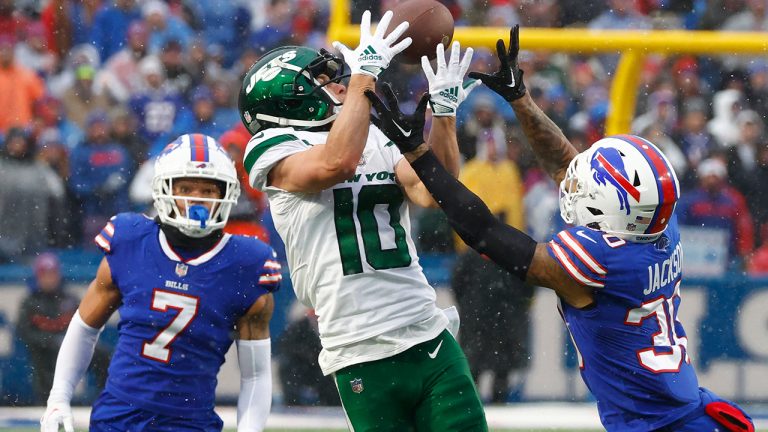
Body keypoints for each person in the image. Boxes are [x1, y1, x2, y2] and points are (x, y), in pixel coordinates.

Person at [367, 26, 755, 432]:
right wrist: (521, 99)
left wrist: (421, 157)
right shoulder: (659, 227)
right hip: (688, 413)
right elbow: (568, 167)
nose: (575, 178)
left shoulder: (602, 260)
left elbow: (484, 232)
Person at [238, 10, 488, 431]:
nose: (338, 82)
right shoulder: (272, 148)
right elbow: (337, 163)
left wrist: (443, 114)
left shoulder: (376, 132)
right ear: (289, 97)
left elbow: (432, 191)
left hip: (424, 327)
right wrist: (363, 76)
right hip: (357, 345)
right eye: (322, 80)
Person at [41, 133, 280, 432]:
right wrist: (59, 398)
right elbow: (85, 327)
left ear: (226, 194)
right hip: (118, 417)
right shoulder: (131, 239)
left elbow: (255, 374)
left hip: (190, 422)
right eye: (186, 188)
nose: (196, 199)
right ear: (164, 189)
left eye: (207, 190)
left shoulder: (247, 263)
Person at [17, 253, 108, 404]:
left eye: (52, 273)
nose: (49, 278)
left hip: (71, 347)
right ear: (38, 276)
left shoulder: (69, 299)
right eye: (45, 274)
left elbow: (87, 327)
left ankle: (105, 400)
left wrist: (67, 342)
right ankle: (47, 406)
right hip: (45, 354)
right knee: (43, 362)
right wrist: (52, 341)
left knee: (103, 354)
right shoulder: (30, 303)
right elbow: (25, 333)